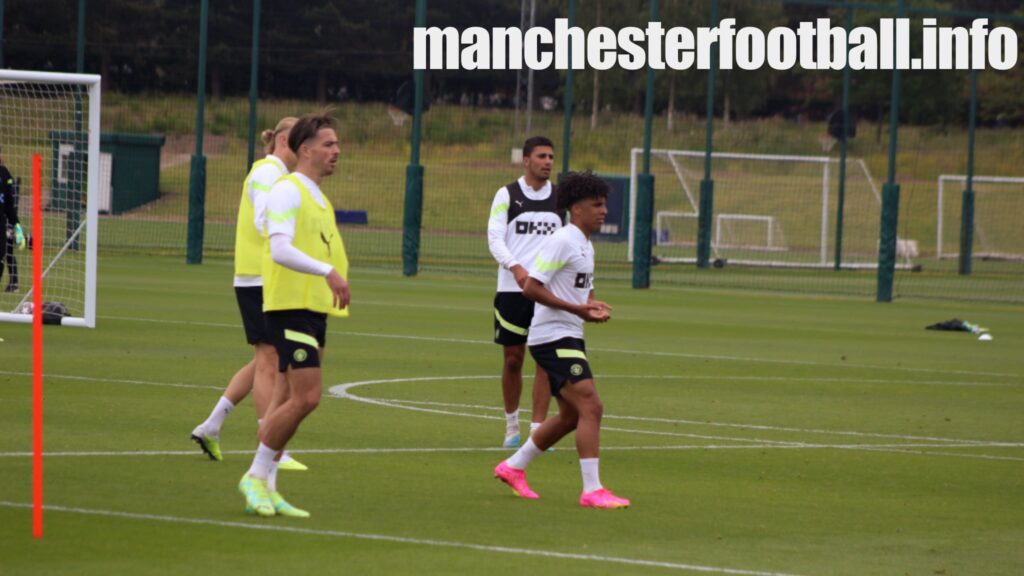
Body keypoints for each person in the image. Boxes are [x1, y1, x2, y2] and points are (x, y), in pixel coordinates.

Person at [493, 171, 630, 509]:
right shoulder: (562, 239)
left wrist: (591, 303)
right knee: (592, 406)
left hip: (569, 333)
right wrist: (578, 309)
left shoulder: (584, 243)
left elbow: (581, 288)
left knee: (570, 415)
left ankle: (513, 467)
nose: (603, 211)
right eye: (596, 205)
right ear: (575, 208)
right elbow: (532, 287)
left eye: (604, 204)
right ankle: (592, 490)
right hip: (552, 336)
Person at [238, 113, 350, 518]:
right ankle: (254, 474)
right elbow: (280, 247)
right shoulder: (287, 191)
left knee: (286, 398)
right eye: (328, 144)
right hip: (289, 307)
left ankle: (267, 485)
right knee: (308, 397)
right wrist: (328, 272)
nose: (336, 151)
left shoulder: (317, 196)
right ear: (305, 150)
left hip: (312, 309)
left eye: (337, 144)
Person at [190, 117, 307, 472]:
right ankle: (270, 446)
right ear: (285, 140)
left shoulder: (279, 176)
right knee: (271, 360)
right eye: (303, 142)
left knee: (264, 360)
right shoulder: (266, 173)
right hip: (259, 278)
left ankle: (211, 425)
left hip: (266, 277)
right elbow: (262, 220)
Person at [487, 136, 560, 448]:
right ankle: (511, 425)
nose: (547, 162)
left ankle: (538, 430)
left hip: (547, 292)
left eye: (551, 157)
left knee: (544, 360)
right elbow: (495, 238)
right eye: (541, 156)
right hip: (512, 290)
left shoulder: (561, 197)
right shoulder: (507, 195)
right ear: (526, 160)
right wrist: (516, 268)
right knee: (513, 358)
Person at [1, 147, 25, 291]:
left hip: (6, 220)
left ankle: (14, 282)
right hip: (5, 220)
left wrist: (15, 226)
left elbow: (11, 201)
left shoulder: (5, 174)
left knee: (8, 250)